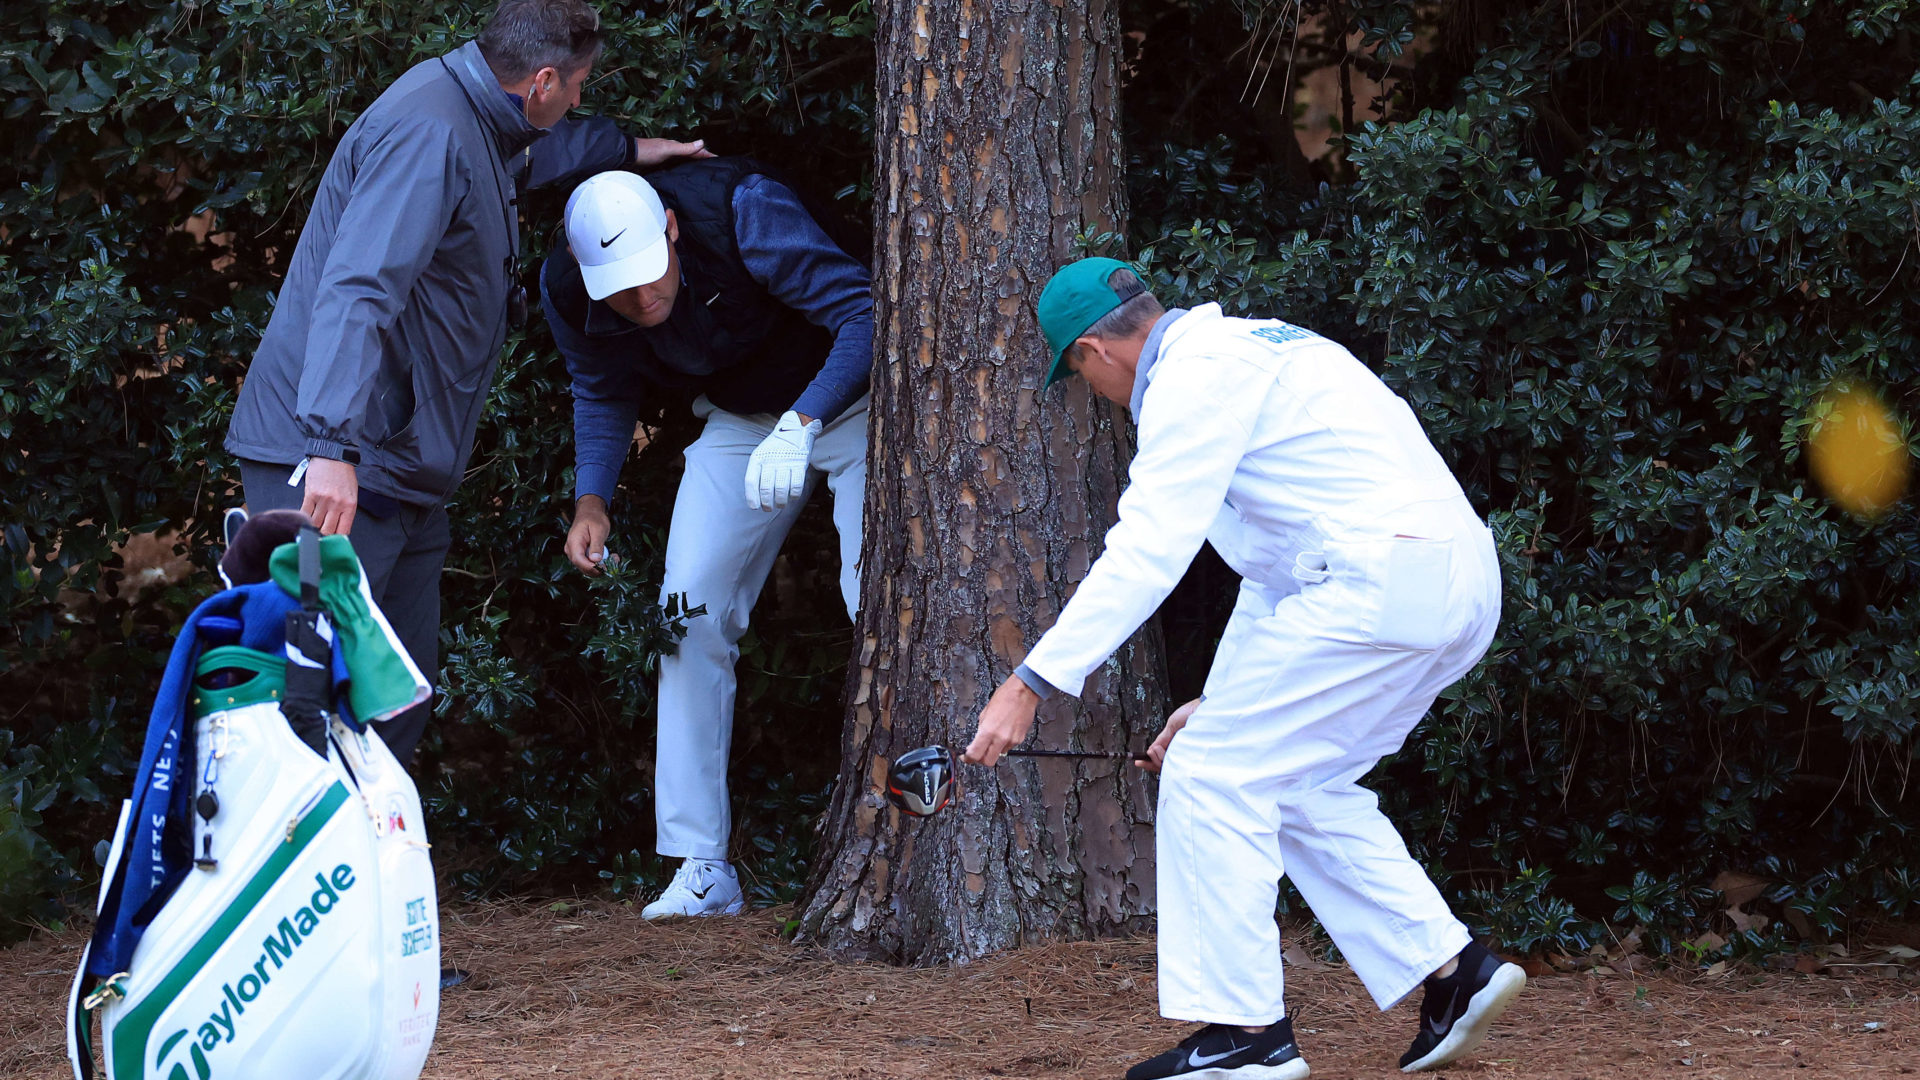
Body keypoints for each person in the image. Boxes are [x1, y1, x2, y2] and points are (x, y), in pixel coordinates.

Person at [964, 258, 1527, 1078]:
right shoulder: (1258, 349)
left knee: (1212, 772)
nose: (1095, 393)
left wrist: (1032, 682)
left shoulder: (1194, 379)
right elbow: (1274, 570)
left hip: (1376, 582)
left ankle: (1244, 1039)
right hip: (1450, 582)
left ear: (1095, 351)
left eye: (1080, 376)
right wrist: (1219, 700)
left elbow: (1149, 547)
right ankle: (1452, 971)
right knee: (1295, 781)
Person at [224, 0, 708, 766]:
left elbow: (540, 155)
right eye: (578, 84)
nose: (581, 97)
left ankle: (366, 881)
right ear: (541, 80)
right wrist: (328, 446)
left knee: (393, 701)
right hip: (332, 466)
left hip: (400, 471)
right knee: (301, 702)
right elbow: (359, 288)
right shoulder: (430, 134)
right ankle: (260, 880)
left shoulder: (483, 124)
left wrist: (632, 151)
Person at [543, 159, 871, 919]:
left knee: (878, 600)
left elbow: (864, 313)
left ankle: (915, 814)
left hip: (850, 405)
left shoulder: (745, 212)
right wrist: (591, 501)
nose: (641, 296)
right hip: (740, 422)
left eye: (650, 272)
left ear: (671, 229)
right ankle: (701, 865)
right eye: (619, 287)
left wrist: (807, 418)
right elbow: (600, 388)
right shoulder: (571, 289)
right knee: (684, 614)